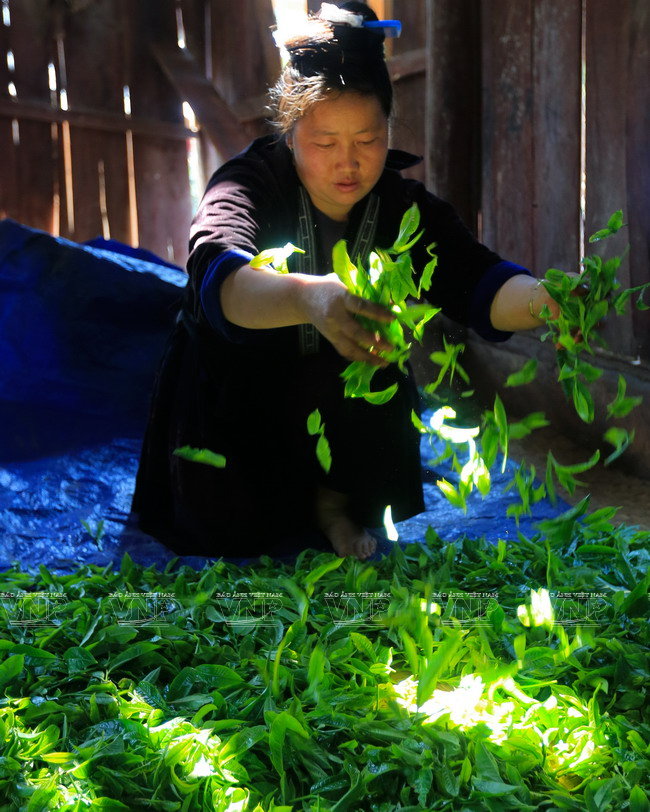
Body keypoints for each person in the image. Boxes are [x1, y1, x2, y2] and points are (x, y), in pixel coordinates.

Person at [132, 1, 558, 561]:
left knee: (377, 362)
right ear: (288, 131)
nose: (348, 164)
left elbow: (480, 284)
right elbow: (219, 278)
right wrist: (311, 300)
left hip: (343, 406)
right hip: (234, 400)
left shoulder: (402, 207)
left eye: (368, 139)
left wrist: (551, 303)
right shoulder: (248, 185)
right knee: (234, 530)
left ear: (388, 125)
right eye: (325, 143)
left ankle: (336, 503)